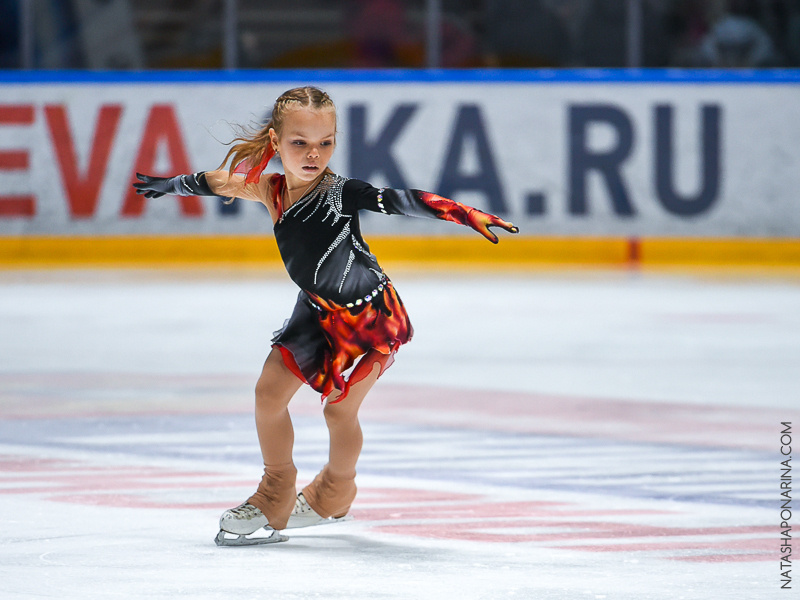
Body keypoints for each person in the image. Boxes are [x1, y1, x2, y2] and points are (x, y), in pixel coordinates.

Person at [133, 86, 518, 546]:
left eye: (325, 143)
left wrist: (464, 213)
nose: (314, 154)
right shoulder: (269, 188)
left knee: (339, 410)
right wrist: (170, 184)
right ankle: (274, 491)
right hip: (316, 312)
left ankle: (334, 493)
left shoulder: (342, 194)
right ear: (276, 143)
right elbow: (216, 181)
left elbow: (401, 199)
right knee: (268, 394)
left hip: (370, 317)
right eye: (300, 143)